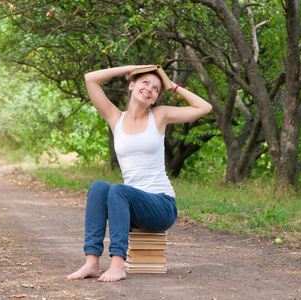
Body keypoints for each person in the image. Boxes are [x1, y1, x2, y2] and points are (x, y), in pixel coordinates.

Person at [67, 65, 212, 282]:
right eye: (145, 82)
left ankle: (117, 265)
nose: (150, 89)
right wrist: (133, 68)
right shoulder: (116, 118)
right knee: (99, 187)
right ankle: (92, 263)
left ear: (155, 99)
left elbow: (204, 107)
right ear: (132, 85)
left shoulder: (159, 115)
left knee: (118, 190)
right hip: (130, 206)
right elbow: (90, 79)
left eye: (155, 88)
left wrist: (172, 87)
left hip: (161, 206)